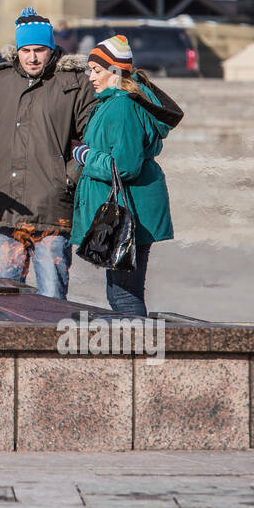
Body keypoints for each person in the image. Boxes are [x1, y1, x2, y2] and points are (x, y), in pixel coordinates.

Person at [0, 7, 96, 299]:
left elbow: (91, 137)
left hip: (51, 211)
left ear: (52, 49)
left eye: (40, 50)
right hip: (4, 209)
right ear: (18, 50)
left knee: (52, 302)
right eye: (26, 50)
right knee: (0, 303)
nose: (33, 57)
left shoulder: (74, 83)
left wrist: (68, 178)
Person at [70, 34, 183, 316]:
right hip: (131, 210)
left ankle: (140, 355)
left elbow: (124, 165)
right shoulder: (114, 102)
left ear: (116, 72)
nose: (90, 77)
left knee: (124, 296)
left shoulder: (122, 107)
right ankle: (137, 353)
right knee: (120, 293)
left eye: (96, 71)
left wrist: (84, 155)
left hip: (129, 212)